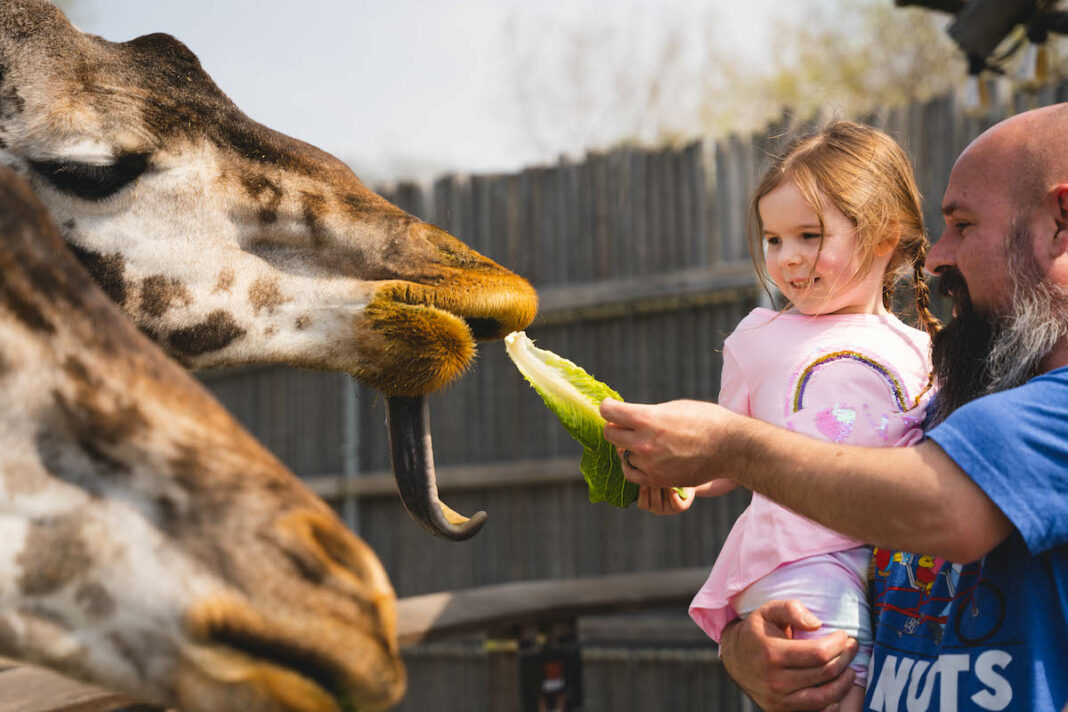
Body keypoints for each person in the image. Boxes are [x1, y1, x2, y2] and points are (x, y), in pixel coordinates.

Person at [602, 103, 1068, 711]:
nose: (934, 255)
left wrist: (729, 444)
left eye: (963, 225)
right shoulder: (957, 393)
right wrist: (746, 648)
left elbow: (943, 510)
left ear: (1062, 222)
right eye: (774, 239)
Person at [656, 121, 939, 712]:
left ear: (885, 235)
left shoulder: (926, 352)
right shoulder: (758, 337)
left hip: (898, 571)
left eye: (808, 235)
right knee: (829, 691)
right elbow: (725, 452)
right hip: (797, 555)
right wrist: (678, 478)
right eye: (773, 239)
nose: (786, 259)